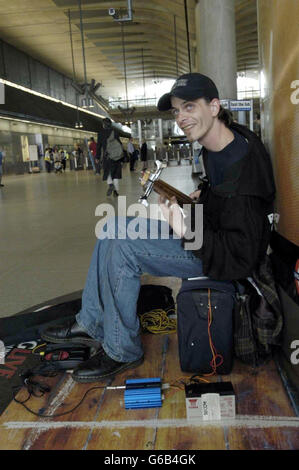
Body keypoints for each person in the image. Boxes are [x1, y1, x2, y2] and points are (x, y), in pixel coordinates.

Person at [41, 73, 276, 383]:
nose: (181, 118)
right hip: (206, 233)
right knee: (113, 227)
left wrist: (185, 228)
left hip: (222, 260)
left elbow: (239, 258)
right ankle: (92, 321)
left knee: (125, 247)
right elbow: (222, 203)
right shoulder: (218, 143)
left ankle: (122, 350)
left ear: (215, 106)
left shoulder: (243, 174)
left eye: (189, 107)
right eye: (177, 111)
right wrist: (200, 198)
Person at [96, 118, 123, 197]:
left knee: (107, 172)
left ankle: (110, 184)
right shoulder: (115, 132)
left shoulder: (100, 133)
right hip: (116, 157)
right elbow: (119, 144)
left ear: (104, 124)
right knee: (115, 174)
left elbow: (99, 146)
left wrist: (97, 157)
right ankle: (115, 191)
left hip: (107, 156)